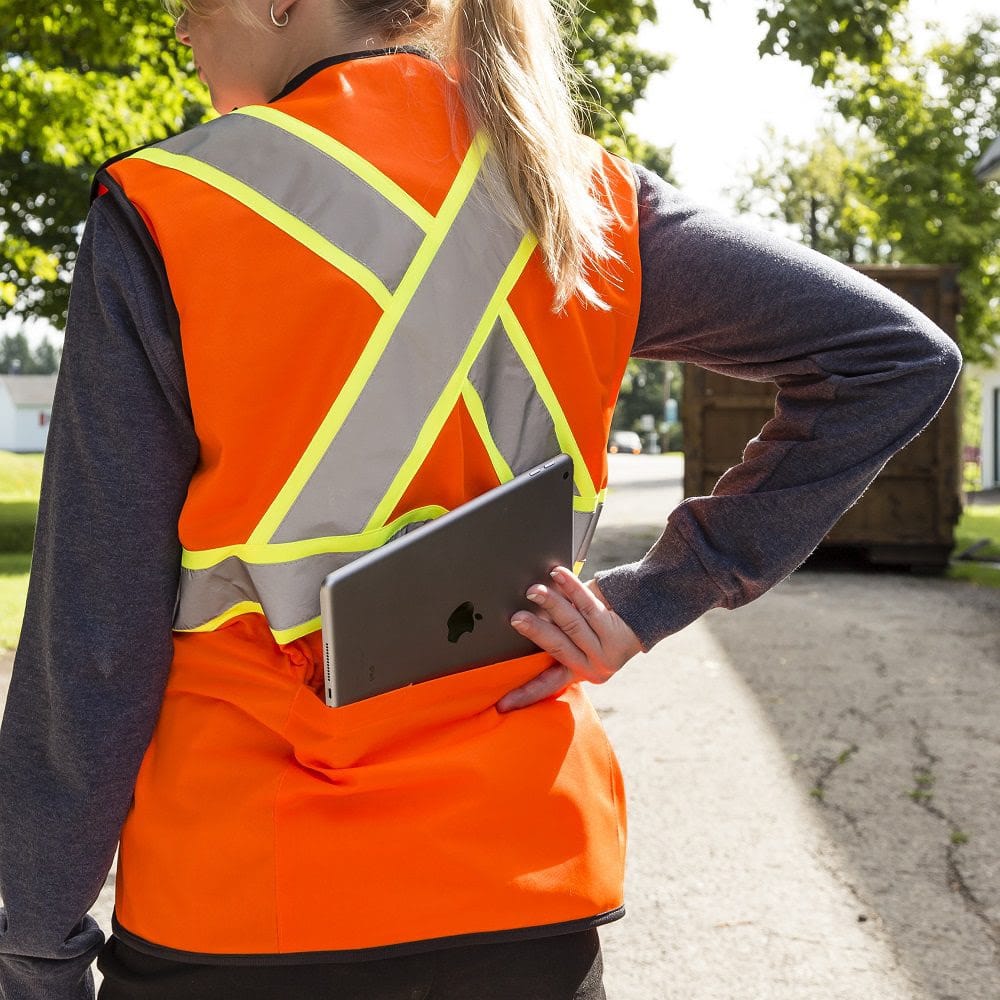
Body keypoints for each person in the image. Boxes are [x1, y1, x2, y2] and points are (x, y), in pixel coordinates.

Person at [0, 0, 962, 996]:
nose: (180, 29)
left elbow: (94, 637)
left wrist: (34, 936)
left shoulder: (167, 209)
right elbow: (894, 359)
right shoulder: (581, 195)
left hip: (251, 895)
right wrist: (660, 595)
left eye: (187, 3)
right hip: (524, 890)